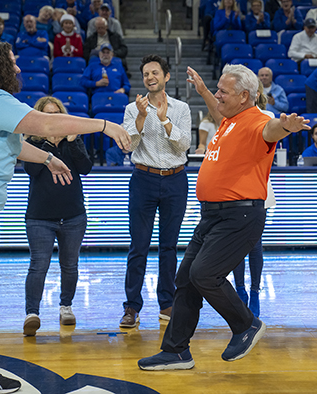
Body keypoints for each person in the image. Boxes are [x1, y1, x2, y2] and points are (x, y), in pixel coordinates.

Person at [0, 40, 129, 393]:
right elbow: (45, 125)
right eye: (12, 62)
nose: (18, 69)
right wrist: (102, 125)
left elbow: (14, 143)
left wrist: (49, 159)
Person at [137, 64, 310, 370]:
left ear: (245, 96)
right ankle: (176, 351)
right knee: (186, 280)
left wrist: (286, 127)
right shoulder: (231, 120)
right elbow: (218, 114)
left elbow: (270, 132)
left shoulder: (260, 120)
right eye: (217, 89)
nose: (218, 94)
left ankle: (246, 325)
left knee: (204, 274)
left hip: (240, 215)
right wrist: (204, 91)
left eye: (223, 91)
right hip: (212, 216)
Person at [119, 54, 191, 328]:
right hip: (143, 179)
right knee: (138, 246)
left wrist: (164, 121)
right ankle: (131, 307)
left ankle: (167, 303)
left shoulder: (181, 108)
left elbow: (183, 145)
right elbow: (129, 144)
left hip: (175, 180)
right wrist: (141, 116)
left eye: (155, 73)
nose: (150, 77)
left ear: (166, 77)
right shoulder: (132, 108)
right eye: (146, 74)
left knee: (169, 246)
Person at [22, 96, 93, 337]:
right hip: (40, 217)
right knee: (38, 266)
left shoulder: (74, 139)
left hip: (73, 215)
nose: (52, 119)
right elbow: (31, 170)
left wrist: (72, 142)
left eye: (56, 114)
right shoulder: (30, 142)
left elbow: (85, 168)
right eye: (47, 115)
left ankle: (66, 306)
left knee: (70, 265)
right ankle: (32, 313)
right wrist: (46, 147)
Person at [233, 80, 276, 318]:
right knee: (237, 245)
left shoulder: (266, 115)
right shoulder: (231, 117)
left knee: (255, 244)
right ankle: (240, 289)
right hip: (235, 187)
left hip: (259, 185)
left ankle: (255, 291)